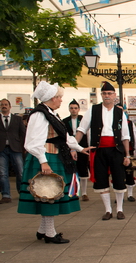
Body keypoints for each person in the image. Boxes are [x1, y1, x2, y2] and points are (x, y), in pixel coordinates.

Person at [17, 82, 91, 243]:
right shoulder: (39, 114)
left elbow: (64, 137)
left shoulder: (50, 113)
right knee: (49, 194)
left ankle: (43, 230)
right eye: (59, 97)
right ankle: (50, 233)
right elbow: (32, 143)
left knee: (50, 193)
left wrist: (79, 148)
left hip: (54, 155)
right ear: (51, 98)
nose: (61, 101)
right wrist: (43, 162)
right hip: (46, 157)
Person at [74, 82, 131, 221]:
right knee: (101, 179)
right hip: (98, 150)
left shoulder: (120, 112)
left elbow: (125, 135)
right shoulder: (93, 110)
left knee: (118, 178)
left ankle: (119, 209)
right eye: (104, 94)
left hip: (116, 150)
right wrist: (74, 147)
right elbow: (82, 129)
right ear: (101, 95)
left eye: (110, 94)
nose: (107, 96)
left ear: (114, 96)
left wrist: (127, 155)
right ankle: (108, 210)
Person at [62, 100, 90, 202]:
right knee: (72, 169)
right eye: (71, 108)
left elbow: (88, 134)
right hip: (69, 147)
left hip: (82, 146)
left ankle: (84, 193)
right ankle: (73, 192)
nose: (73, 110)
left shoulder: (83, 120)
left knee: (83, 169)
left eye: (75, 108)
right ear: (69, 109)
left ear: (78, 109)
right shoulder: (64, 121)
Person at [0, 98, 25, 203]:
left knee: (20, 172)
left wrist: (23, 147)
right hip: (1, 149)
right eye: (2, 105)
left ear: (10, 107)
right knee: (2, 173)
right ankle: (6, 194)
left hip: (15, 148)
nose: (4, 106)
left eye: (6, 104)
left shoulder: (17, 119)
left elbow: (22, 134)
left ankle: (22, 192)